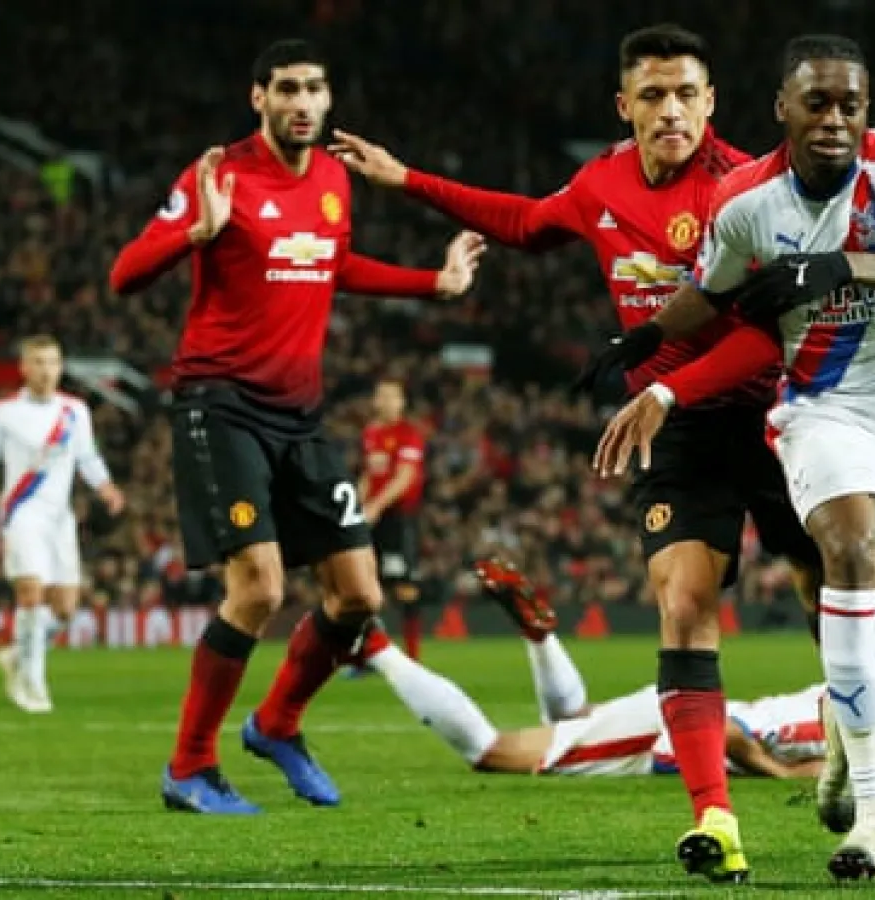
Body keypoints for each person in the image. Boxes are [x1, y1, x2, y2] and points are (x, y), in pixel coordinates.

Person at [331, 24, 821, 883]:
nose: (671, 111)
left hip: (777, 415)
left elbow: (769, 343)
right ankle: (714, 813)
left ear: (712, 102)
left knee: (836, 590)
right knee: (681, 602)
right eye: (654, 96)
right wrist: (407, 181)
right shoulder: (600, 182)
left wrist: (666, 386)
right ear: (624, 105)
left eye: (686, 95)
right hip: (680, 433)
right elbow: (525, 222)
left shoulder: (748, 193)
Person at [592, 34, 875, 881]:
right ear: (782, 111)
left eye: (850, 106)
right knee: (846, 549)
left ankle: (846, 741)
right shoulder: (745, 201)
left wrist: (833, 266)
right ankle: (874, 811)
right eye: (818, 105)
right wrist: (647, 340)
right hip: (824, 407)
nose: (835, 121)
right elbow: (713, 292)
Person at [108, 38, 480, 814]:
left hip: (298, 416)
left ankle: (276, 725)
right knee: (260, 587)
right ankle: (189, 766)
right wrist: (195, 234)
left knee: (357, 594)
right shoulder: (222, 176)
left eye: (315, 88)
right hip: (222, 403)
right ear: (260, 98)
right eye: (287, 89)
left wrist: (432, 285)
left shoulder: (337, 179)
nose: (303, 102)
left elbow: (337, 264)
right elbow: (124, 274)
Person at [359, 561, 875, 787]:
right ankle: (377, 645)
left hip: (671, 714)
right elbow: (734, 731)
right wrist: (773, 774)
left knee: (571, 721)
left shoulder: (838, 702)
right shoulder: (825, 729)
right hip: (672, 731)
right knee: (492, 752)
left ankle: (540, 639)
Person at [0, 335, 126, 713]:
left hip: (59, 518)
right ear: (23, 367)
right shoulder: (5, 412)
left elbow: (86, 456)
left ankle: (18, 652)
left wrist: (105, 487)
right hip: (21, 512)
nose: (46, 370)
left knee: (66, 610)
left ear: (60, 366)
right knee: (31, 594)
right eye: (37, 362)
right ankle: (32, 687)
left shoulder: (75, 411)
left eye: (52, 362)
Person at [359, 377, 428, 660]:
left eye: (392, 396)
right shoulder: (371, 433)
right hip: (372, 517)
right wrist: (356, 503)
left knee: (404, 586)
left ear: (402, 402)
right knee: (364, 585)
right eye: (382, 395)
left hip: (399, 518)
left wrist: (375, 505)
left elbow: (405, 477)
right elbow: (368, 475)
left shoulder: (410, 434)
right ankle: (366, 656)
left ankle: (413, 658)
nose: (386, 401)